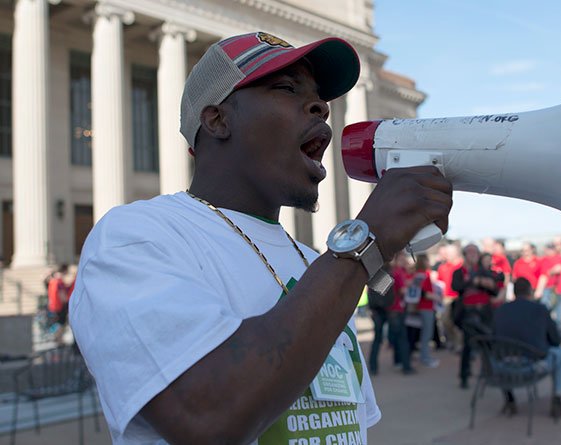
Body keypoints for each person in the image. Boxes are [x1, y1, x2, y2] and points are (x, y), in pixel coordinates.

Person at [69, 31, 453, 444]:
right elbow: (207, 416)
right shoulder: (136, 238)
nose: (322, 107)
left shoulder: (315, 263)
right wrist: (366, 241)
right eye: (286, 88)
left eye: (320, 96)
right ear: (217, 120)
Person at [494, 278, 561, 417]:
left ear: (514, 293)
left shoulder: (500, 310)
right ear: (530, 291)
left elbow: (492, 340)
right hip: (532, 366)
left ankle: (509, 399)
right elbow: (555, 340)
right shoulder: (540, 309)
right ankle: (557, 400)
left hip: (502, 366)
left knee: (501, 353)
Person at [452, 244, 502, 389]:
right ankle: (464, 376)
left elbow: (495, 290)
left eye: (475, 252)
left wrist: (489, 285)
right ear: (465, 254)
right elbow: (456, 287)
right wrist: (473, 281)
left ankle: (491, 373)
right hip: (468, 313)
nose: (473, 255)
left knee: (489, 343)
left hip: (485, 312)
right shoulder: (459, 272)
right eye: (470, 252)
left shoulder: (483, 271)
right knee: (468, 345)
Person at [46, 264, 70, 345]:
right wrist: (66, 302)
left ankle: (57, 338)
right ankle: (58, 339)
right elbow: (61, 293)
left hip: (53, 305)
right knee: (61, 323)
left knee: (58, 322)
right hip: (59, 305)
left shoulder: (53, 281)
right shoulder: (59, 281)